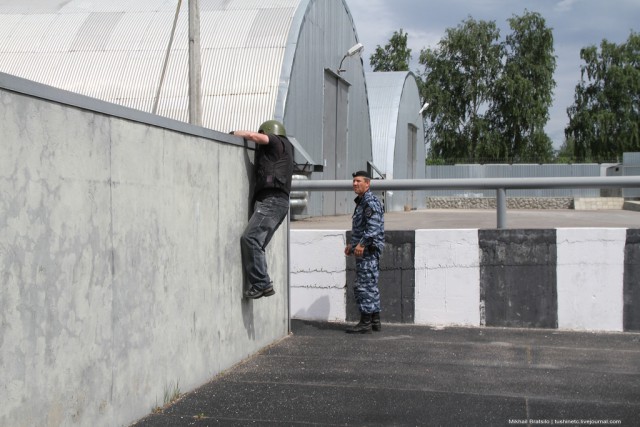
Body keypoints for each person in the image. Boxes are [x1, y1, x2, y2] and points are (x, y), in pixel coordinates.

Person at [230, 120, 294, 299]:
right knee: (257, 244)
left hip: (272, 201)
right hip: (278, 202)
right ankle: (259, 283)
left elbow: (252, 136)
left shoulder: (276, 141)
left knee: (250, 239)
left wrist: (233, 132)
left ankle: (262, 284)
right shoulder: (286, 150)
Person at [344, 170, 385, 333]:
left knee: (363, 286)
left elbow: (373, 228)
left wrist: (361, 245)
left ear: (367, 184)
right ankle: (375, 321)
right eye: (354, 181)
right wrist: (352, 245)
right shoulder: (362, 202)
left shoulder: (370, 202)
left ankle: (365, 322)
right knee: (370, 285)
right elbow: (362, 228)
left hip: (368, 250)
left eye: (358, 181)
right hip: (364, 248)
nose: (355, 184)